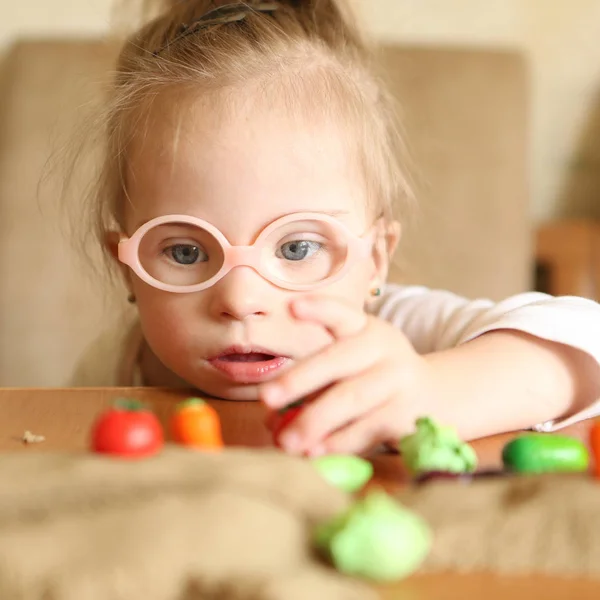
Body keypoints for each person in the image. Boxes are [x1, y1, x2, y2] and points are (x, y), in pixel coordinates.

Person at [71, 0, 600, 456]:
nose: (240, 300)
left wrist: (435, 390)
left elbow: (587, 339)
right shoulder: (118, 365)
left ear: (376, 258)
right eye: (185, 252)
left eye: (298, 246)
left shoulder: (398, 337)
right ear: (126, 265)